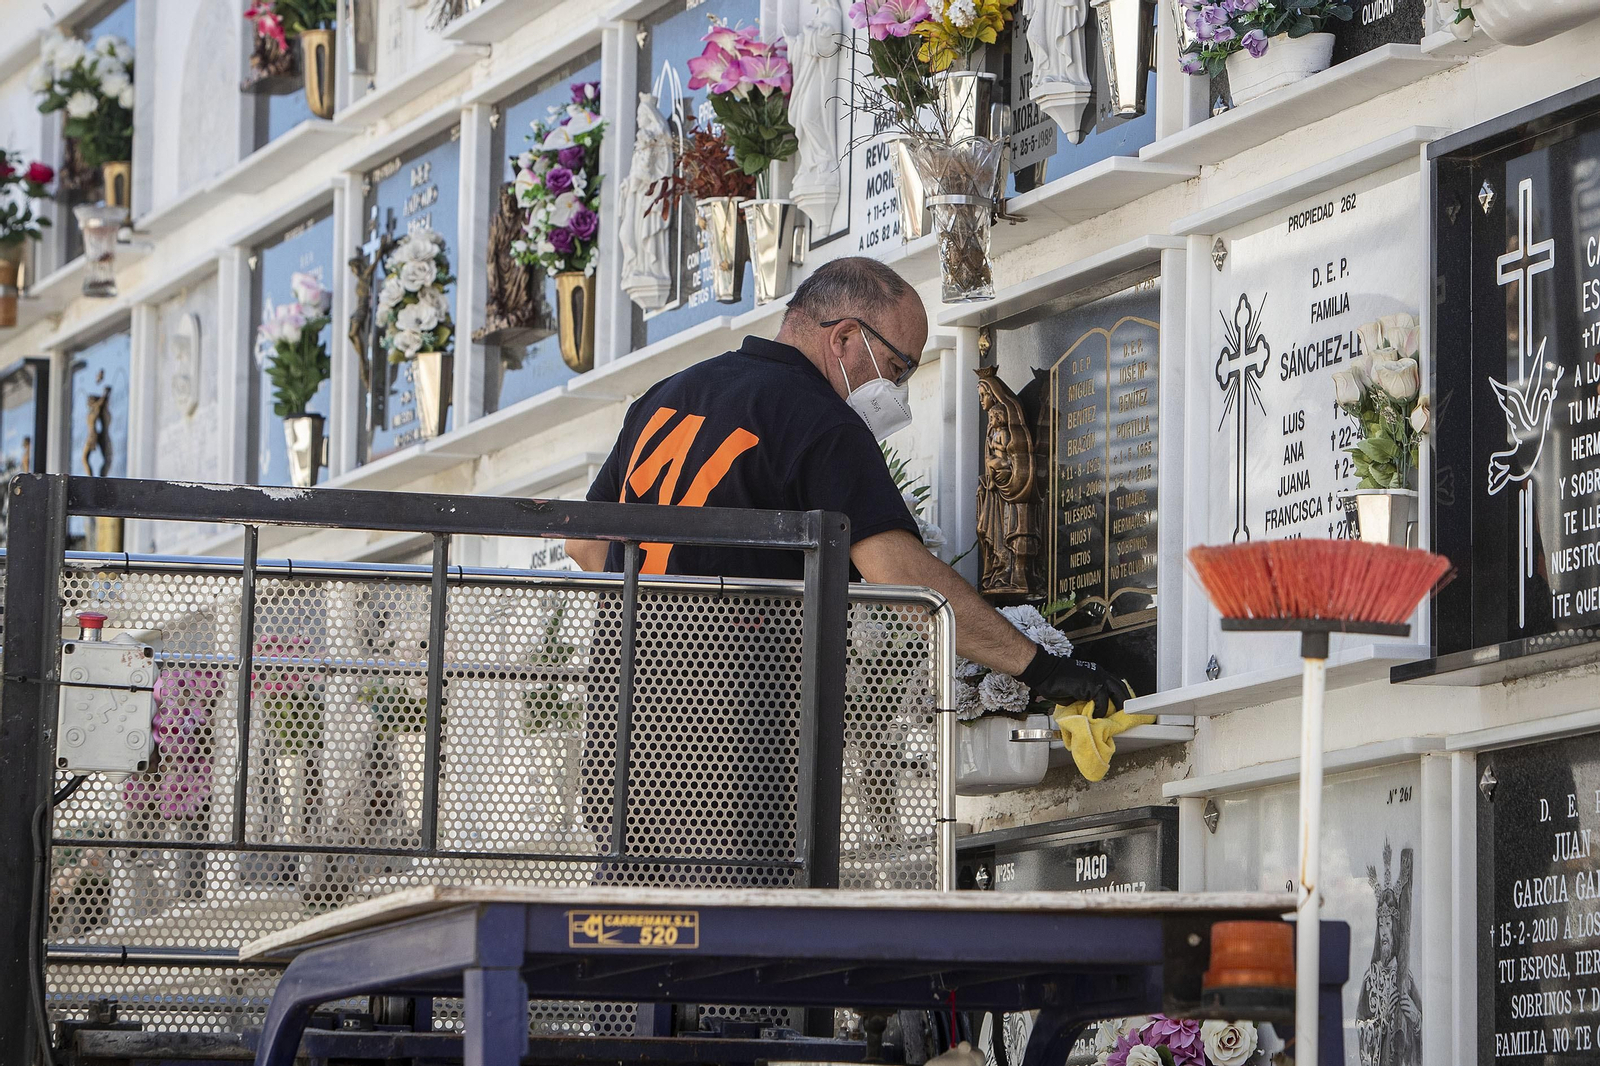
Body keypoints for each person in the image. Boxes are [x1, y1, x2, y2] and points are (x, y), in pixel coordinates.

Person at [566, 256, 1129, 715]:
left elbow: (586, 545)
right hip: (730, 733)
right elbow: (902, 579)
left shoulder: (666, 395)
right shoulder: (820, 420)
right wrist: (1041, 667)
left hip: (624, 724)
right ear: (844, 340)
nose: (898, 389)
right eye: (898, 367)